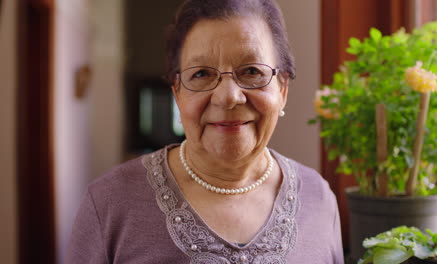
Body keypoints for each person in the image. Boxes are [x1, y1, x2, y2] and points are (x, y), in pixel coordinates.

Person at [66, 0, 344, 263]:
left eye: (250, 71)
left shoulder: (318, 199)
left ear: (282, 89)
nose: (228, 97)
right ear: (177, 92)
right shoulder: (109, 203)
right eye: (201, 74)